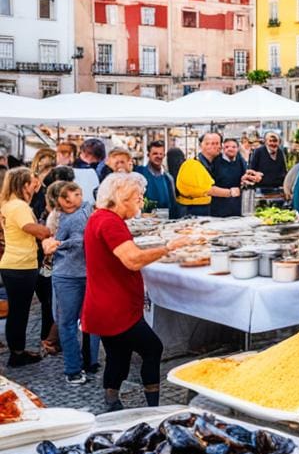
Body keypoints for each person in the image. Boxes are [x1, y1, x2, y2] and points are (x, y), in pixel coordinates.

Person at [82, 173, 193, 411]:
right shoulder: (110, 222)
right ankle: (152, 406)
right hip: (115, 307)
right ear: (121, 199)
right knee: (152, 348)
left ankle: (112, 401)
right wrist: (167, 247)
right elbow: (132, 260)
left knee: (118, 356)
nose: (141, 203)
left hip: (104, 303)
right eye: (138, 198)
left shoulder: (98, 217)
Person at [42, 181, 100, 383]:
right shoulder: (58, 217)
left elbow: (82, 239)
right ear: (57, 200)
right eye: (64, 197)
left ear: (80, 193)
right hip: (67, 275)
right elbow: (51, 240)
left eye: (73, 194)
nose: (70, 200)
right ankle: (73, 368)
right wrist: (51, 243)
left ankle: (89, 362)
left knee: (89, 321)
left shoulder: (88, 210)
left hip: (85, 274)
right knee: (68, 323)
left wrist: (58, 244)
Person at [0, 168, 53, 366]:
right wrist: (47, 230)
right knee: (19, 312)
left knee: (17, 311)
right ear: (23, 184)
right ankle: (17, 354)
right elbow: (30, 229)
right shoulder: (19, 206)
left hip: (13, 263)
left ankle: (17, 350)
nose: (35, 186)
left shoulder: (8, 204)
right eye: (32, 183)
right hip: (21, 265)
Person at [175, 132, 242, 217]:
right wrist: (230, 192)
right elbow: (208, 190)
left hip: (208, 209)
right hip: (191, 210)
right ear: (201, 145)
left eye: (217, 143)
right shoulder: (192, 164)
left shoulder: (213, 164)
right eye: (208, 143)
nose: (213, 146)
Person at [211, 138, 256, 217]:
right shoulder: (215, 162)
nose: (230, 149)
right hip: (219, 204)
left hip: (237, 203)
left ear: (238, 149)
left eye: (234, 147)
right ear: (223, 149)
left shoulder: (240, 161)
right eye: (227, 147)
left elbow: (244, 177)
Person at [135, 141, 179, 218]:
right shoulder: (139, 174)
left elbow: (173, 205)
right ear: (148, 155)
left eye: (161, 154)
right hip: (144, 222)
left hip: (166, 222)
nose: (158, 156)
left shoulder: (168, 178)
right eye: (155, 153)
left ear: (164, 155)